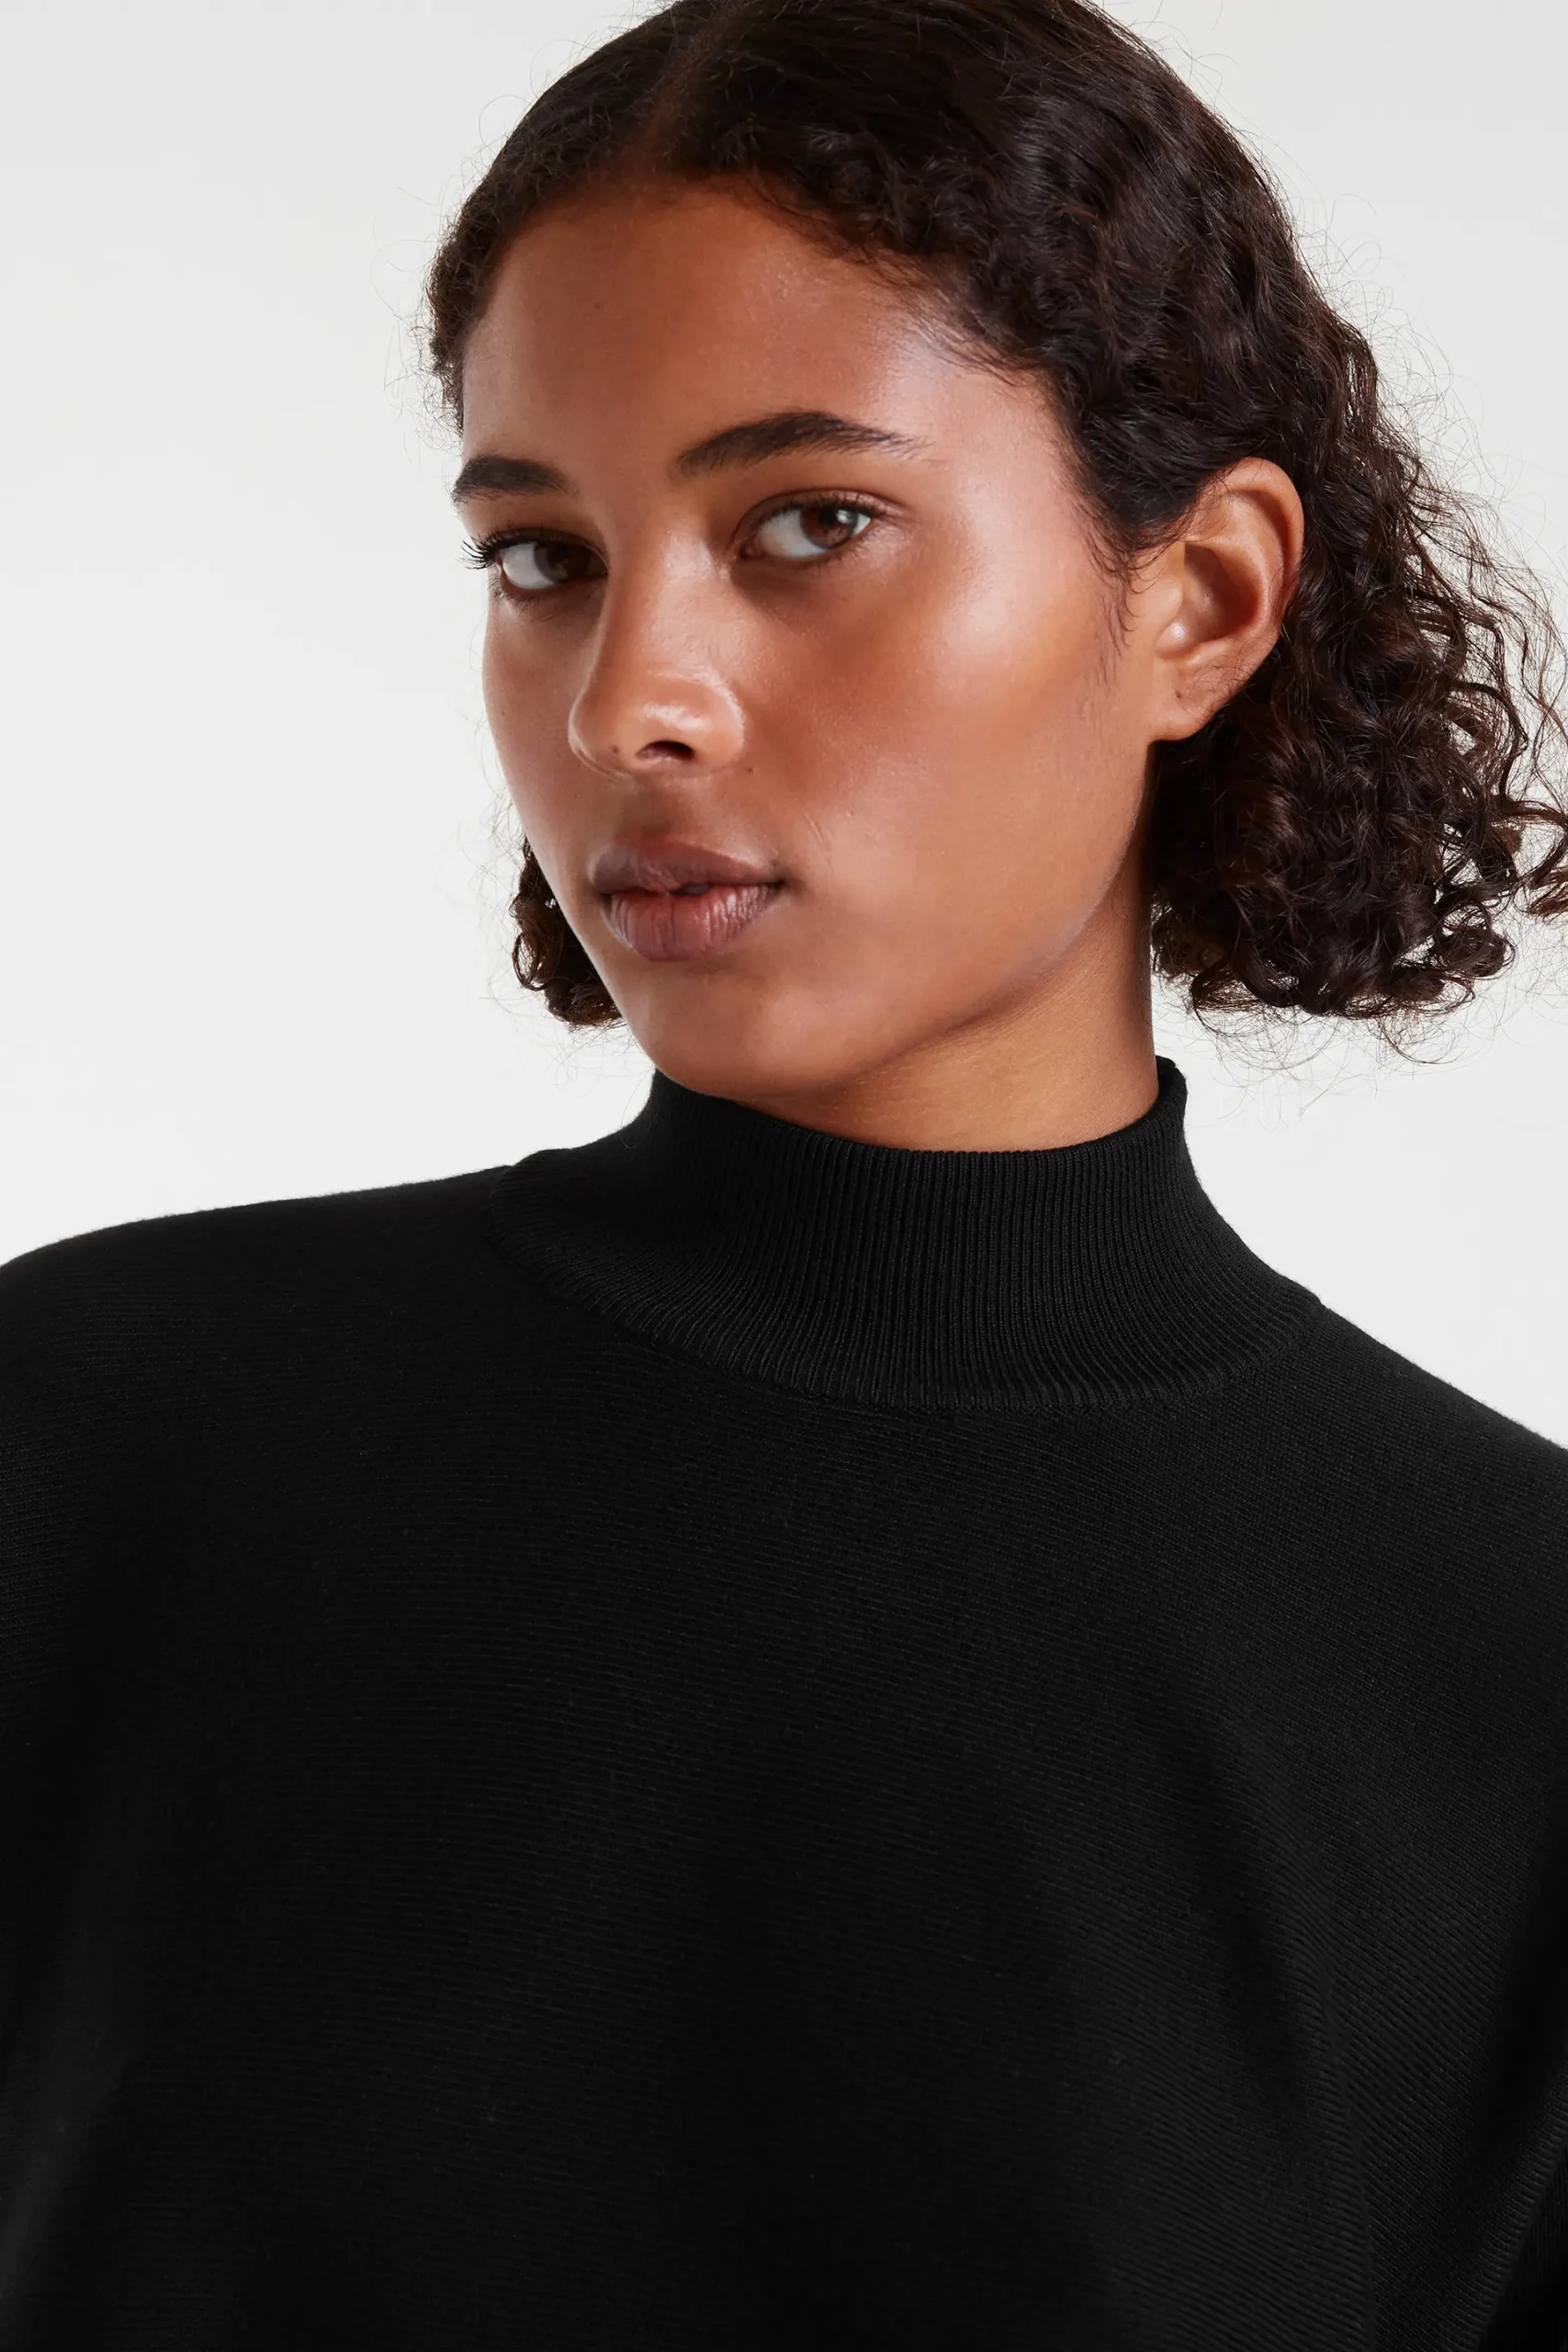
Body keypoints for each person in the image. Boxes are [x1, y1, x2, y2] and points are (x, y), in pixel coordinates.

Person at [3, 0, 1566, 2343]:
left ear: (1203, 598)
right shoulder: (98, 1438)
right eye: (543, 555)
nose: (629, 694)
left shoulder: (1508, 1672)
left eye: (810, 523)